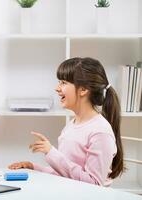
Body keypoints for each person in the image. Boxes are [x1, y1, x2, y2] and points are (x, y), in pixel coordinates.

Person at [8, 57, 124, 186]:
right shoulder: (72, 125)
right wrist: (33, 167)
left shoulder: (100, 132)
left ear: (83, 90)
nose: (57, 88)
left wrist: (51, 152)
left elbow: (94, 184)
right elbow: (65, 174)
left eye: (63, 82)